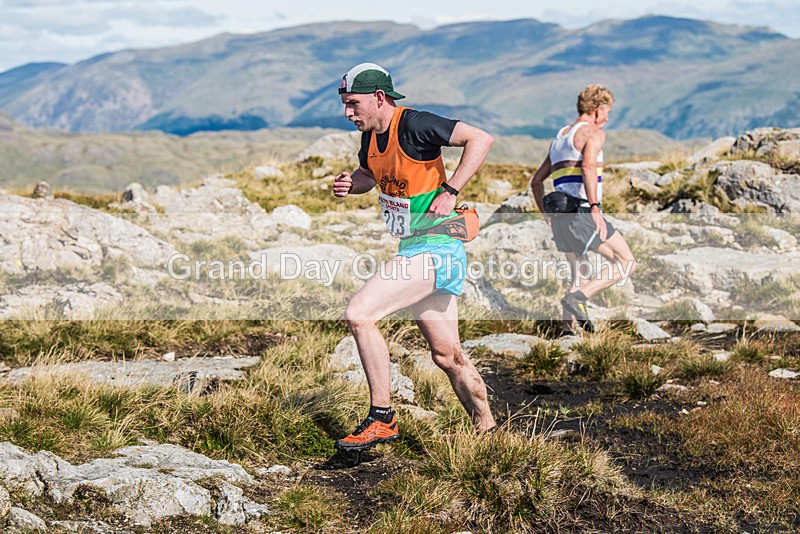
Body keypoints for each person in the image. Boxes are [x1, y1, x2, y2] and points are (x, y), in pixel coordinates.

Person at [332, 63, 496, 452]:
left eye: (353, 104)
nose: (347, 112)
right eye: (343, 104)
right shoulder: (371, 138)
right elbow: (369, 175)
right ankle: (489, 433)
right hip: (416, 248)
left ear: (378, 98)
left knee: (360, 314)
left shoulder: (416, 124)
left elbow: (481, 139)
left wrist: (452, 189)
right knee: (447, 355)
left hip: (438, 247)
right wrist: (349, 184)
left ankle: (381, 418)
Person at [529, 84, 637, 335]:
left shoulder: (560, 138)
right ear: (598, 109)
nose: (607, 118)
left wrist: (545, 214)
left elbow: (536, 181)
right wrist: (596, 208)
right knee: (626, 261)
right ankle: (580, 297)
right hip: (582, 211)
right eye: (607, 112)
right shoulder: (592, 133)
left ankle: (567, 331)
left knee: (580, 271)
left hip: (559, 215)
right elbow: (588, 167)